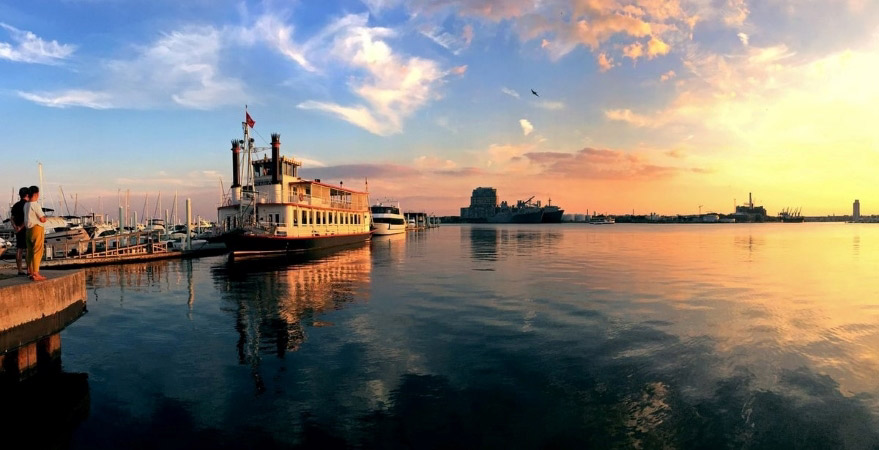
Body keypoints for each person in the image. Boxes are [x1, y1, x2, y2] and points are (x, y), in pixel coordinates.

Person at [24, 185, 48, 281]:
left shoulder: (26, 205)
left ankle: (30, 271)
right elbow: (42, 219)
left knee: (30, 251)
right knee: (38, 251)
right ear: (36, 194)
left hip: (28, 230)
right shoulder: (35, 205)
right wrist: (45, 218)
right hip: (36, 229)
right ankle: (36, 273)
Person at [10, 187, 30, 275]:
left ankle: (20, 270)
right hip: (25, 229)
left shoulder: (15, 205)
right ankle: (29, 269)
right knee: (28, 249)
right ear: (27, 195)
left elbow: (12, 218)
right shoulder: (27, 205)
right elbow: (27, 219)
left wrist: (15, 227)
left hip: (18, 230)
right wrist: (21, 227)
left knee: (19, 249)